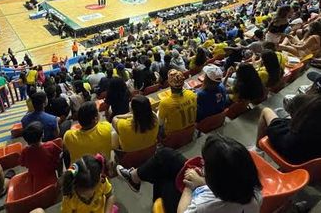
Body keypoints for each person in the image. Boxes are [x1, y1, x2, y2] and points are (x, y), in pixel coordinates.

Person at [117, 135, 262, 213]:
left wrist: (190, 187)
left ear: (218, 180)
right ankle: (134, 177)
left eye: (206, 165)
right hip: (214, 191)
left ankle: (137, 180)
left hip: (188, 203)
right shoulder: (253, 191)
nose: (203, 166)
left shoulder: (204, 207)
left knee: (165, 177)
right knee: (165, 155)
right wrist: (203, 181)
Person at [256, 94, 321, 164]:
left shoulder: (290, 139)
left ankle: (258, 151)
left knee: (266, 110)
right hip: (313, 163)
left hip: (291, 153)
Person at [20, 122, 62, 191]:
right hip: (50, 173)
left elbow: (23, 163)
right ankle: (60, 175)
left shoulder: (24, 151)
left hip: (35, 177)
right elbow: (59, 155)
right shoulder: (50, 145)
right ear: (42, 135)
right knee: (61, 156)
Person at [158, 69, 197, 136]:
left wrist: (159, 110)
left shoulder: (164, 103)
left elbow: (160, 123)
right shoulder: (192, 94)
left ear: (169, 83)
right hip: (190, 131)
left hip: (174, 136)